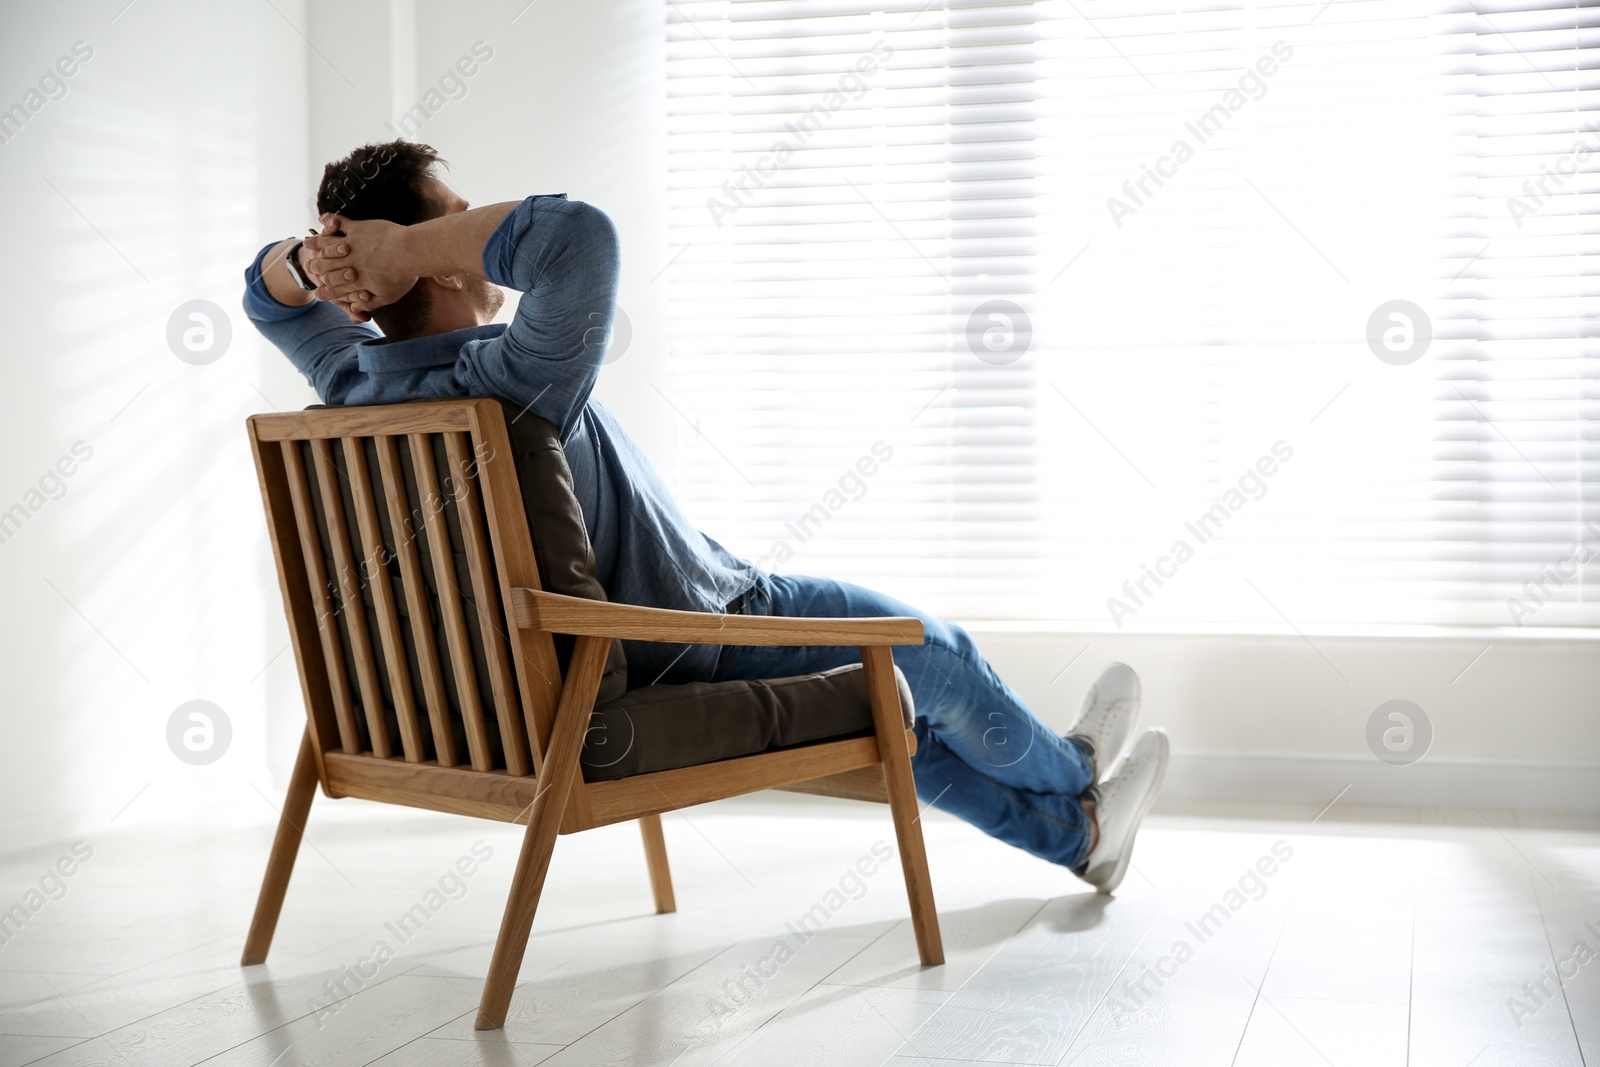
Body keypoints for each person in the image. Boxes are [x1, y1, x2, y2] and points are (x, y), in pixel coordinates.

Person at [243, 141, 1169, 892]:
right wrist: (402, 248)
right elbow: (576, 237)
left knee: (903, 718)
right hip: (694, 625)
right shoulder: (518, 377)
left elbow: (259, 292)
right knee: (932, 649)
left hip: (569, 660)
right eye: (457, 220)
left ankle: (1076, 838)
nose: (472, 238)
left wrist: (309, 260)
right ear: (429, 260)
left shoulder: (351, 382)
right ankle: (1072, 774)